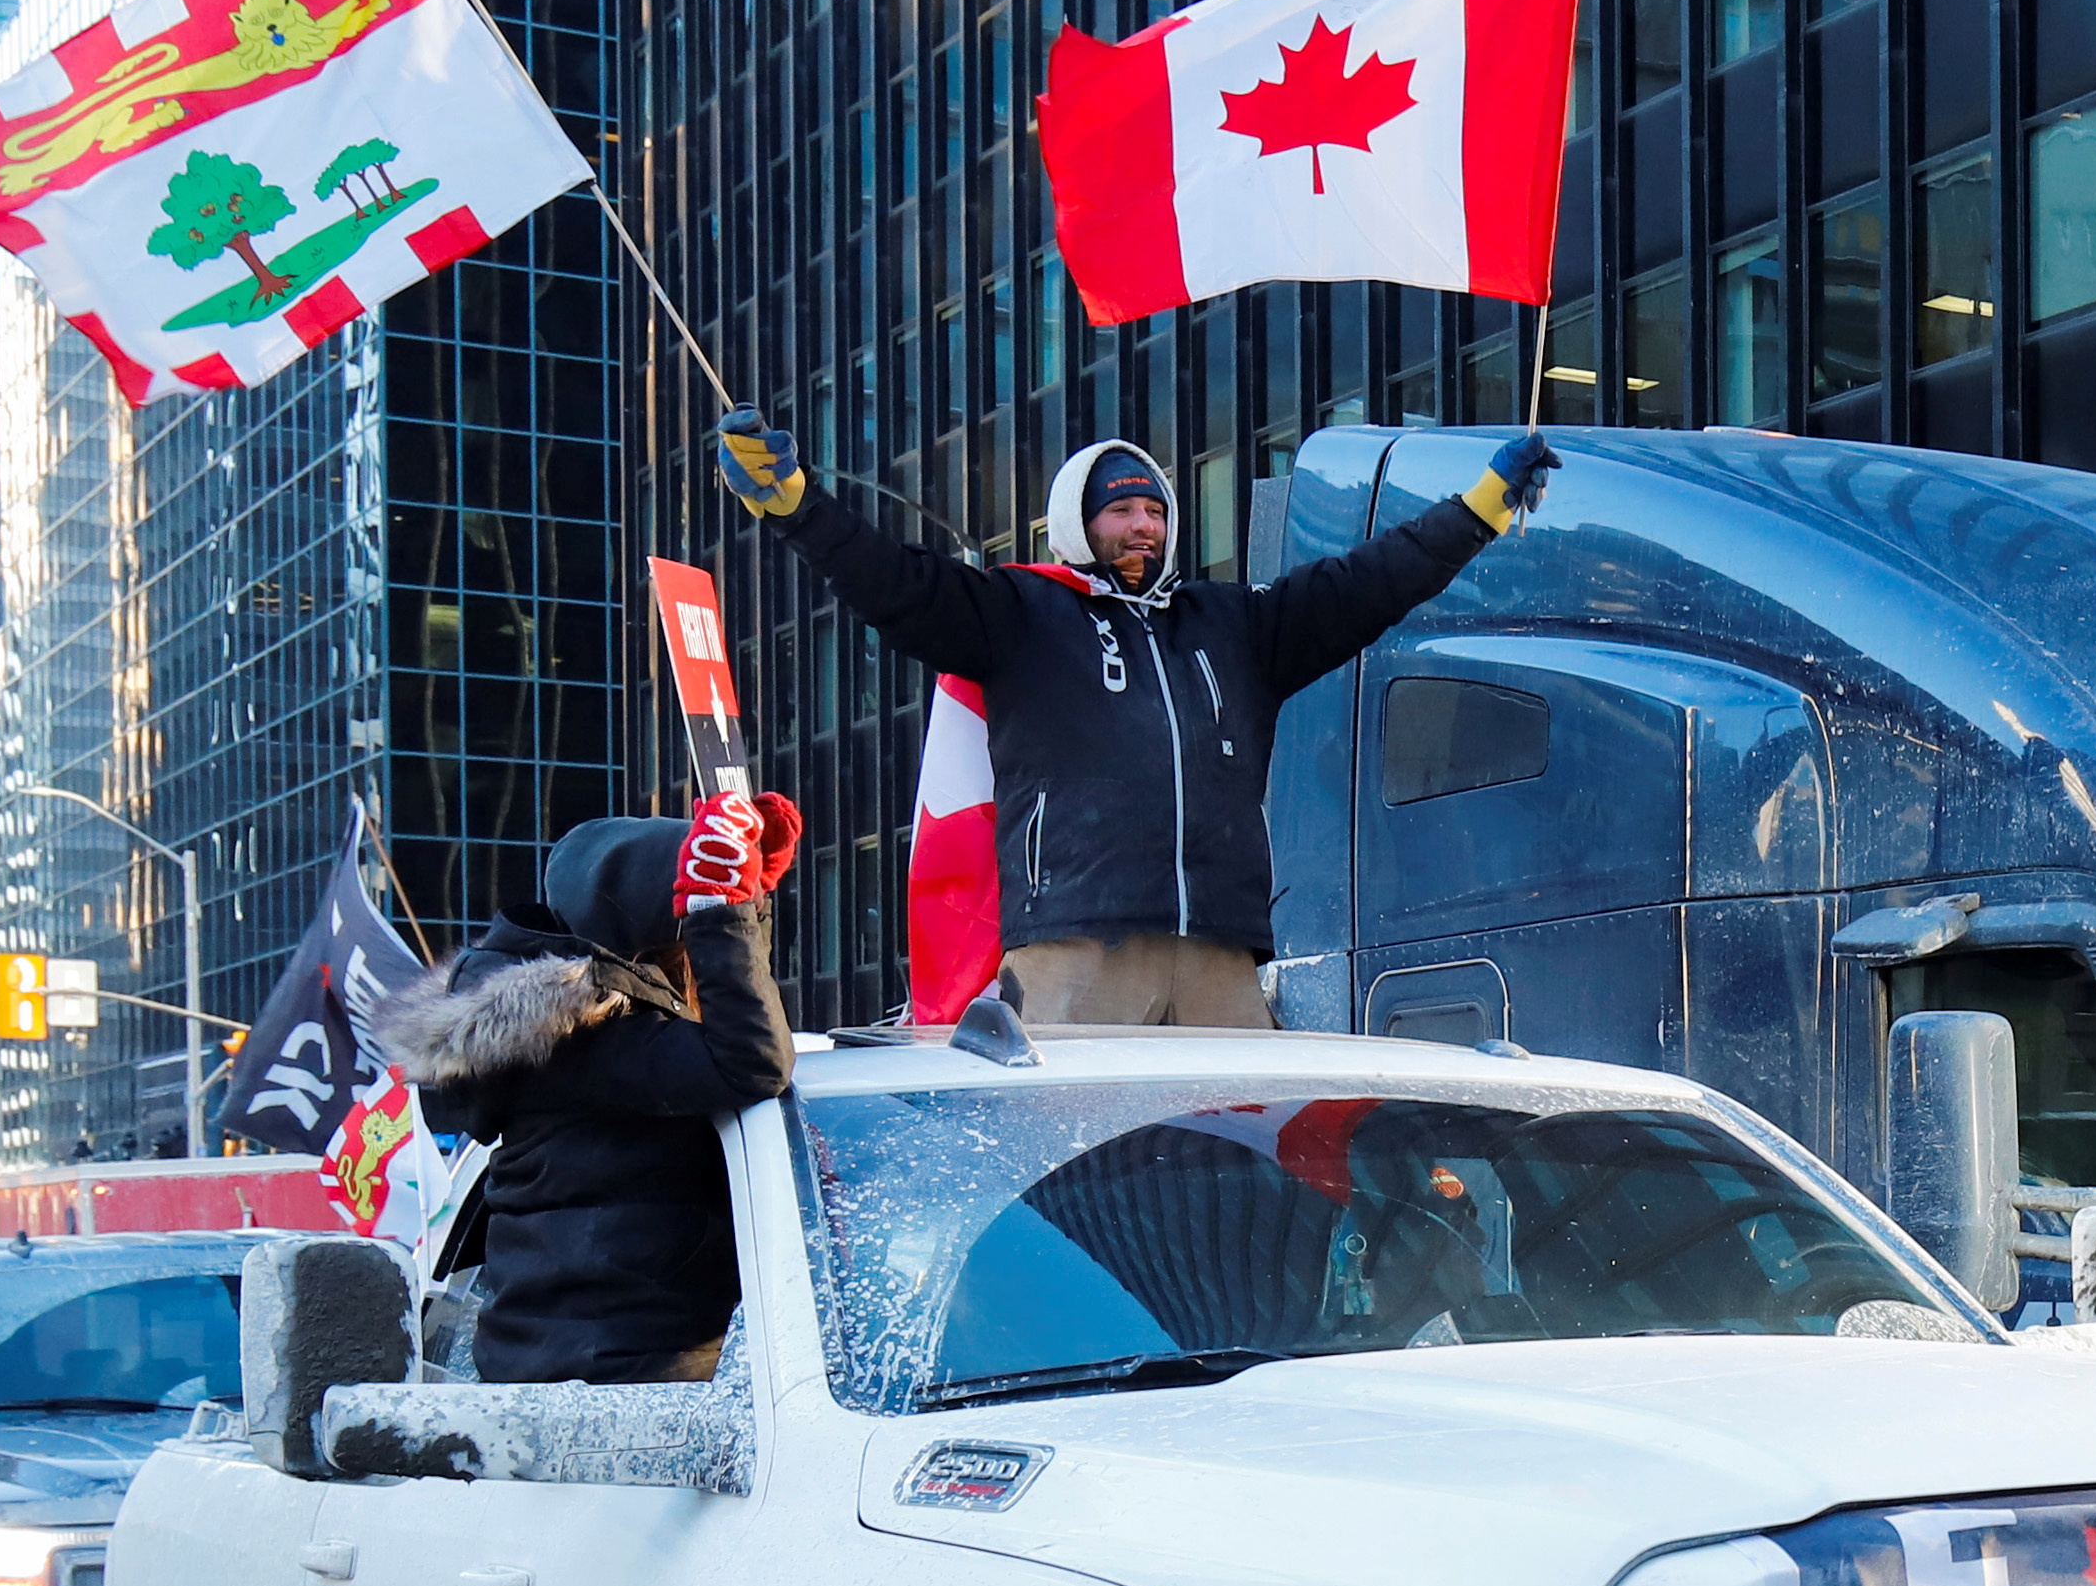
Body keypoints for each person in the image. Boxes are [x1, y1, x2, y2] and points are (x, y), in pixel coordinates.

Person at [711, 416, 1558, 1027]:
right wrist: (796, 504)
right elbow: (892, 582)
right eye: (1119, 511)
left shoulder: (1235, 625)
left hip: (1222, 958)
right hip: (1078, 948)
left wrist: (1481, 505)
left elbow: (1374, 580)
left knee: (1241, 1168)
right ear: (1080, 522)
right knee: (1064, 1168)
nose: (1141, 525)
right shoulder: (1018, 612)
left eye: (1153, 511)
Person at [372, 796, 801, 1384]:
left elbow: (730, 1029)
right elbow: (752, 1063)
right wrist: (720, 913)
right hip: (608, 1392)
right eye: (683, 925)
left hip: (590, 1370)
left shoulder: (590, 1035)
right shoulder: (583, 1040)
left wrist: (745, 909)